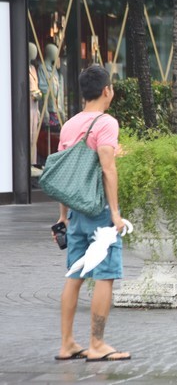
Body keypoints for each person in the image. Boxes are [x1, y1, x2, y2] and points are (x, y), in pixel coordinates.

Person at [51, 65, 130, 362]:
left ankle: (67, 344)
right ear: (106, 90)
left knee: (74, 276)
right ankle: (97, 344)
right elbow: (108, 169)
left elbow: (64, 174)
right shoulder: (107, 122)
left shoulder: (70, 124)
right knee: (104, 276)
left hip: (75, 213)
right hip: (98, 211)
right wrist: (115, 214)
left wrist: (63, 216)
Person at [29, 42, 42, 167]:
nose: (35, 53)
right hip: (27, 107)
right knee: (28, 135)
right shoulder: (23, 69)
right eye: (33, 50)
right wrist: (38, 94)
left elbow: (36, 88)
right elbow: (33, 91)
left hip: (34, 107)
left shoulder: (33, 68)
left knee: (34, 135)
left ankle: (33, 162)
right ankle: (28, 163)